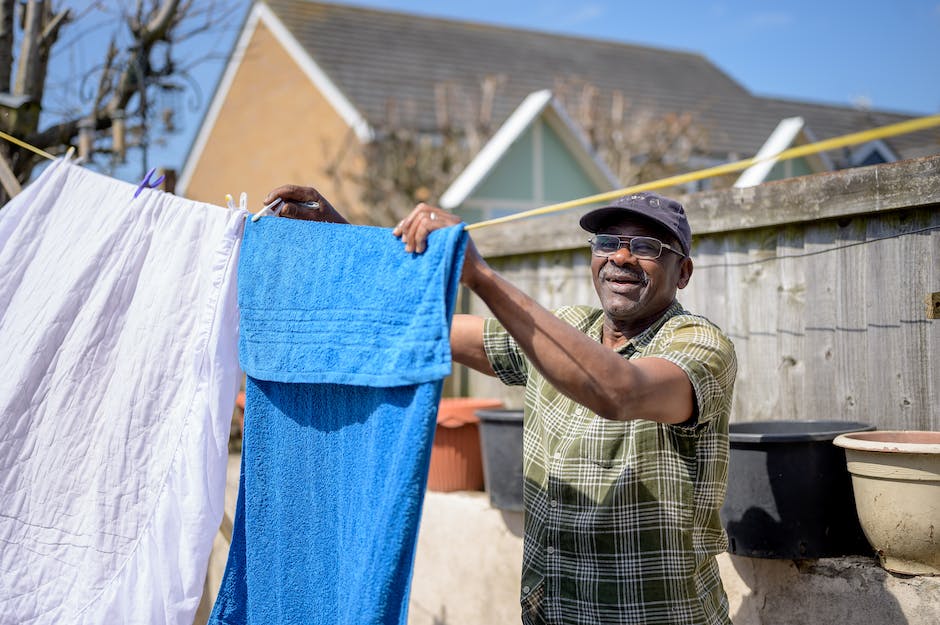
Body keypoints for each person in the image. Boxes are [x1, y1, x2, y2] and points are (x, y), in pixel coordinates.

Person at [264, 185, 737, 625]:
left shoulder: (700, 345)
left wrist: (482, 275)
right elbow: (427, 324)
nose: (620, 257)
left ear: (684, 272)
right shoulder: (569, 328)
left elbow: (620, 391)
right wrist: (345, 240)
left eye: (647, 247)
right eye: (607, 242)